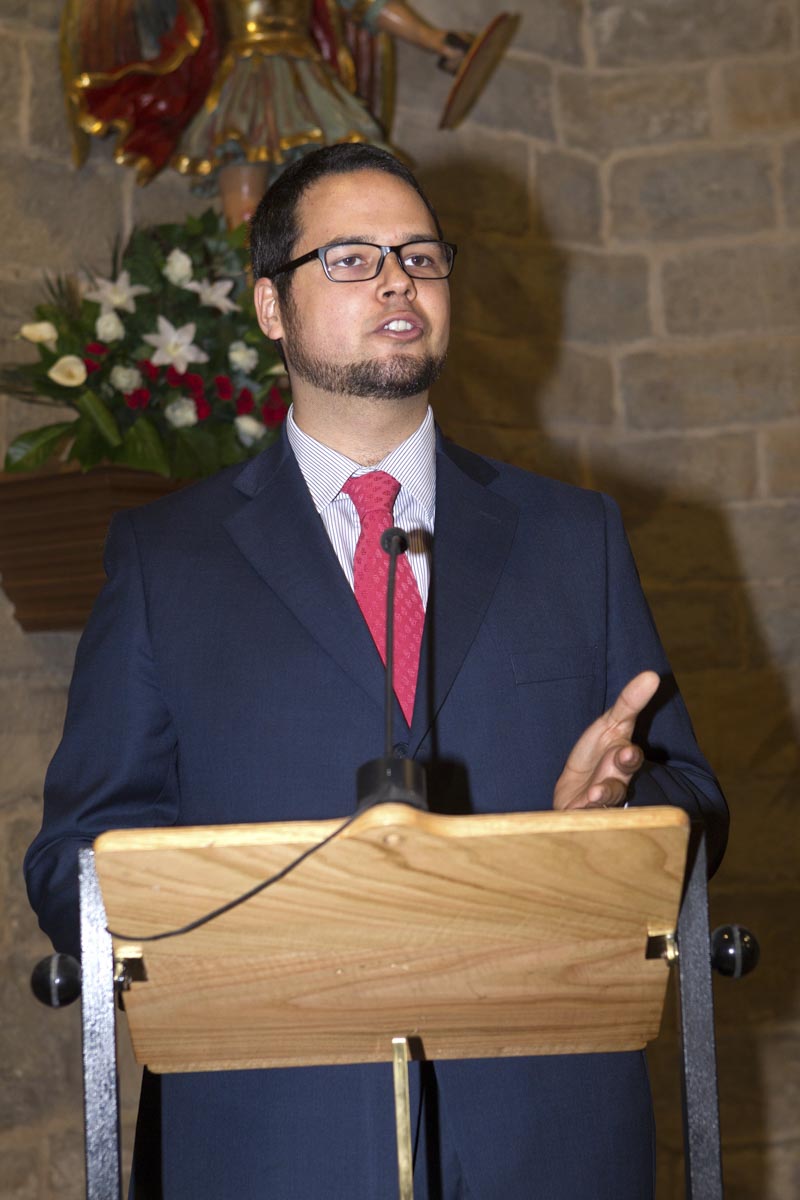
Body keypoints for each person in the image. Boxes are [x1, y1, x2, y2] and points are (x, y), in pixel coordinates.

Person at [25, 142, 728, 1198]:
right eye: (350, 258)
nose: (398, 281)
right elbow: (73, 861)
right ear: (271, 306)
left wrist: (615, 821)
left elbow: (694, 803)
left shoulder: (570, 536)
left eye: (420, 257)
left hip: (544, 1135)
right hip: (268, 1141)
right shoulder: (164, 559)